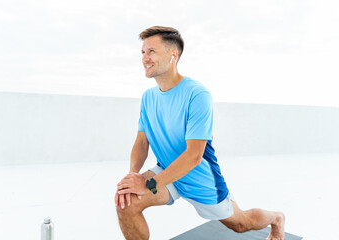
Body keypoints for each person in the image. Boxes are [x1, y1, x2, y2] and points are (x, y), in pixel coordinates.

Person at [115, 26, 285, 240]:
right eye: (143, 52)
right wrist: (133, 175)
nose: (145, 58)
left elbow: (194, 156)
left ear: (172, 55)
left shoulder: (197, 94)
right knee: (126, 202)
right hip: (167, 172)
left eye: (151, 51)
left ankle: (277, 219)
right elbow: (141, 141)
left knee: (241, 224)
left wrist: (149, 183)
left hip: (200, 177)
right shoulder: (148, 97)